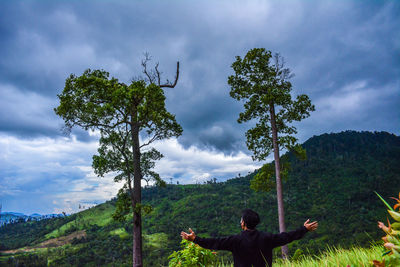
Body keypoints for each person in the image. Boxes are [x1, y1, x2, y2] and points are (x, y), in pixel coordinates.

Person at [180, 209, 318, 267]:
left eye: (241, 220)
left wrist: (195, 239)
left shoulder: (235, 241)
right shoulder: (267, 238)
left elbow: (214, 242)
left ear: (244, 223)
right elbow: (287, 237)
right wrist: (304, 229)